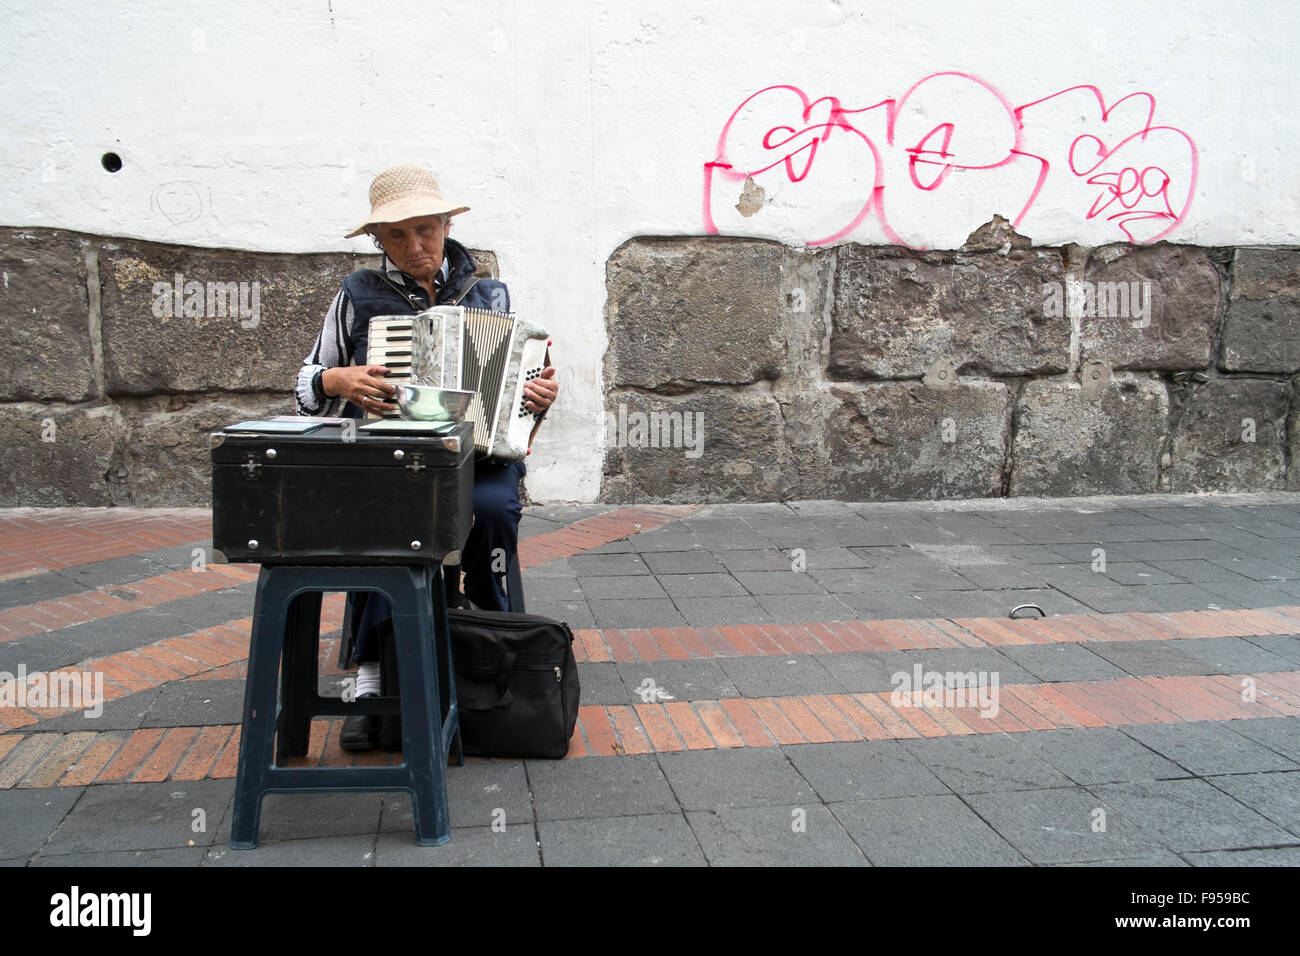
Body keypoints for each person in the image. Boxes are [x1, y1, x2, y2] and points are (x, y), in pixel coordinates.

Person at [296, 164, 558, 749]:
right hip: (393, 457)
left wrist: (537, 394)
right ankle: (372, 679)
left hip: (478, 457)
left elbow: (523, 386)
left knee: (492, 511)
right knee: (385, 520)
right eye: (396, 235)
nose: (414, 247)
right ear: (378, 241)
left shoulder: (490, 292)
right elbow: (305, 384)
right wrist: (339, 380)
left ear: (445, 225)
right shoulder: (357, 295)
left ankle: (497, 654)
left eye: (425, 230)